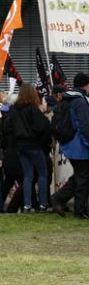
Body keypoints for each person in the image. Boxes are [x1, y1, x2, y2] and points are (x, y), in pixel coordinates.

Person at [8, 83, 52, 212]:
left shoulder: (14, 109)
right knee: (42, 173)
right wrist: (36, 136)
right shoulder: (32, 108)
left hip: (20, 145)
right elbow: (41, 126)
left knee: (28, 175)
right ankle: (43, 204)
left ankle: (27, 205)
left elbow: (9, 127)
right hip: (33, 144)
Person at [52, 73, 89, 219]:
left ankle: (59, 198)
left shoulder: (67, 99)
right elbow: (84, 127)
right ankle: (79, 211)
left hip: (70, 144)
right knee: (83, 178)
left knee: (81, 176)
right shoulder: (79, 101)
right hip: (80, 146)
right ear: (85, 85)